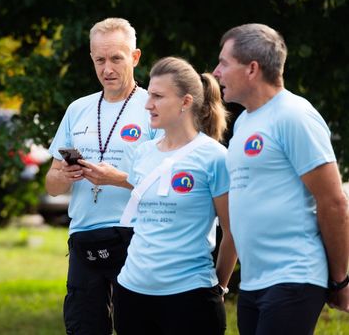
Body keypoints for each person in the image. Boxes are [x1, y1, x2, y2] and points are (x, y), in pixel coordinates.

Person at [213, 23, 349, 334]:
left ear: (252, 69)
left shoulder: (294, 115)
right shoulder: (244, 123)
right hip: (253, 283)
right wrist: (221, 282)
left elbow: (333, 202)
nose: (217, 72)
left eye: (224, 63)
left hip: (294, 276)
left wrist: (340, 280)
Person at [45, 17, 160, 334]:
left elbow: (167, 183)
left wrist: (117, 178)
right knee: (82, 327)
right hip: (84, 236)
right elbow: (51, 184)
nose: (107, 69)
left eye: (116, 59)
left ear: (135, 57)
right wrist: (66, 175)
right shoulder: (78, 109)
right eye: (99, 60)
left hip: (136, 235)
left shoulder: (154, 107)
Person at [113, 57, 237, 334]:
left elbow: (233, 231)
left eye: (158, 96)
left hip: (190, 297)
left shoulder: (215, 157)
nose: (148, 104)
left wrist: (220, 286)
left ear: (185, 102)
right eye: (149, 95)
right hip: (131, 293)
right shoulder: (143, 153)